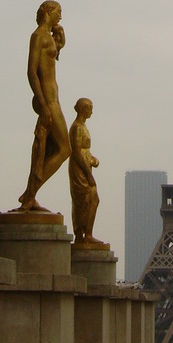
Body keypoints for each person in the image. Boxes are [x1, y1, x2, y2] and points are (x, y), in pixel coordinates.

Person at [18, 0, 71, 210]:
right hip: (48, 100)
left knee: (48, 149)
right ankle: (30, 192)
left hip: (52, 99)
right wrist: (42, 103)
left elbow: (50, 59)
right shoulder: (38, 36)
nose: (60, 16)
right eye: (59, 12)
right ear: (48, 11)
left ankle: (30, 193)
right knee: (65, 148)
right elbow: (32, 71)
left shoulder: (47, 38)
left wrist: (59, 43)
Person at [68, 97, 104, 246]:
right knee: (83, 200)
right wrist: (88, 174)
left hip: (84, 165)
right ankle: (82, 234)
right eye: (90, 108)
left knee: (91, 199)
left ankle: (86, 233)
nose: (92, 112)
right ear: (84, 110)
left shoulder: (82, 126)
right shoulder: (76, 127)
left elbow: (83, 151)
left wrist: (92, 159)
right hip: (79, 169)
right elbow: (76, 152)